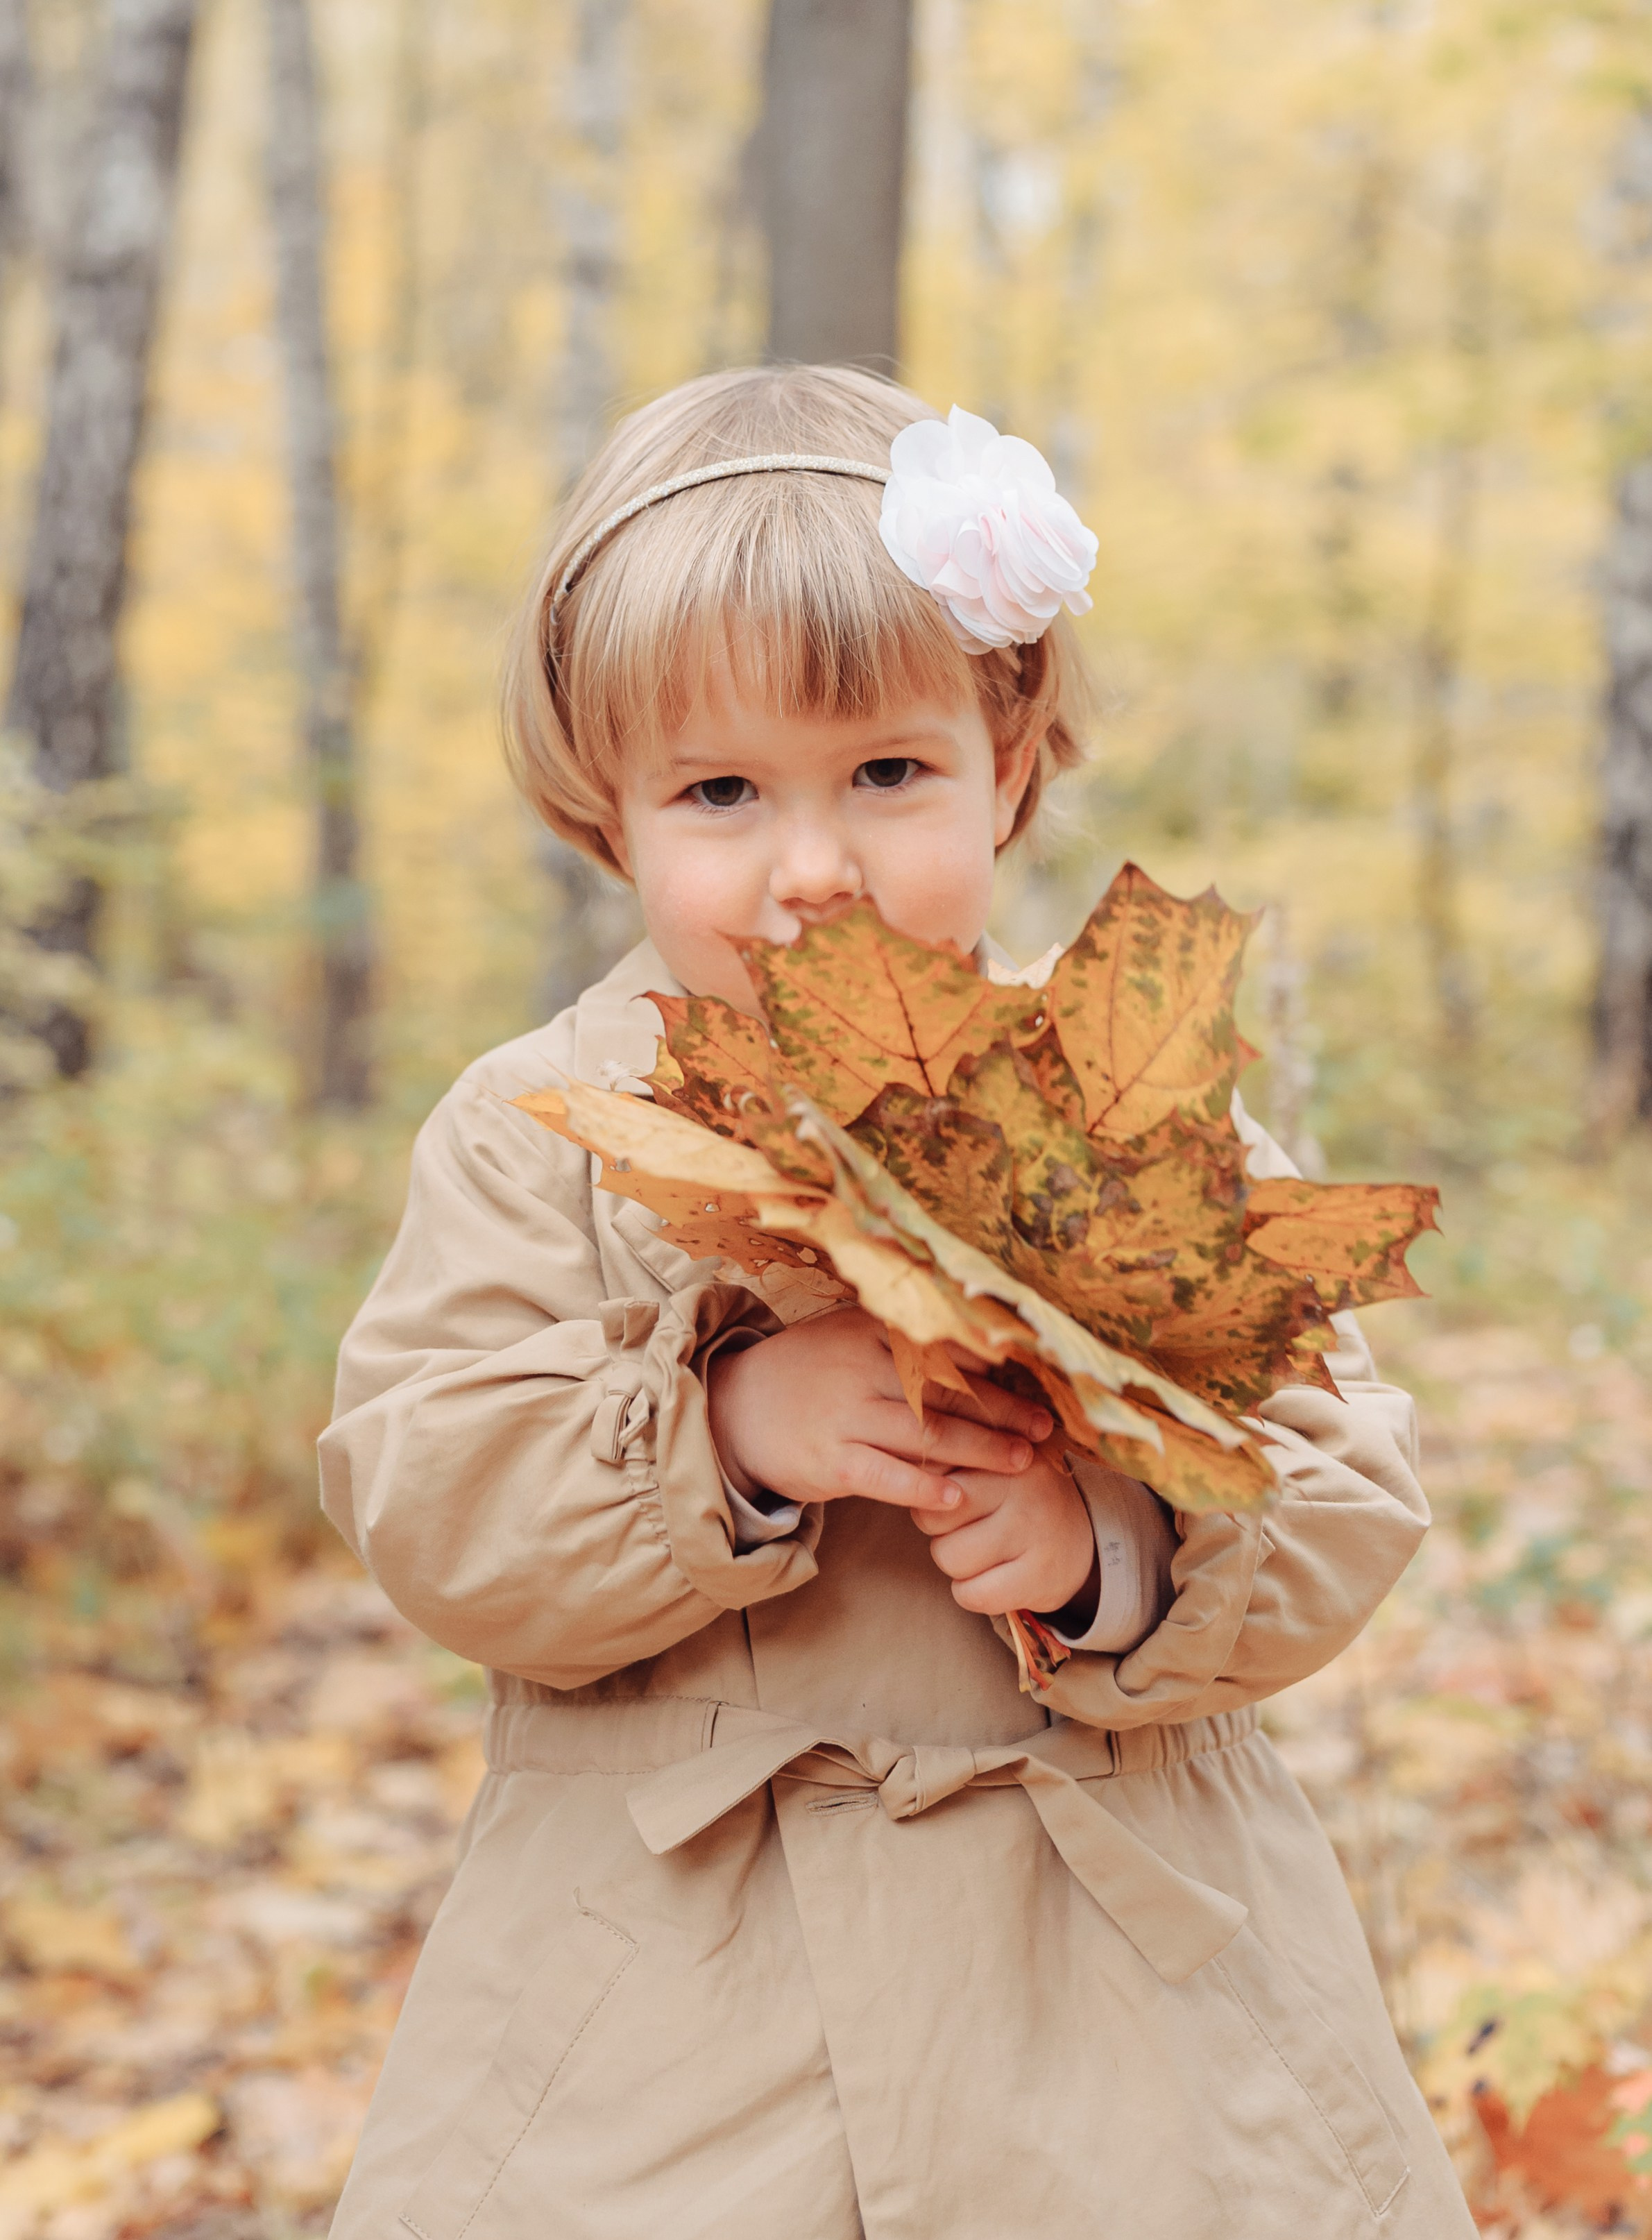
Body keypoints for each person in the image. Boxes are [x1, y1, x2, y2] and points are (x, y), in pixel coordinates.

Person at [319, 364, 1474, 2239]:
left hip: (1121, 2002)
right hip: (668, 2005)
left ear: (1004, 762)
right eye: (719, 790)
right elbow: (432, 1491)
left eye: (886, 773)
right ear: (605, 812)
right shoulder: (544, 1127)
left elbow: (1332, 1468)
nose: (811, 867)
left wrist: (1108, 1540)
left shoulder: (1119, 1103)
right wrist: (726, 1435)